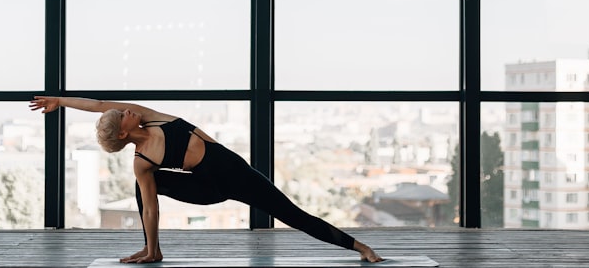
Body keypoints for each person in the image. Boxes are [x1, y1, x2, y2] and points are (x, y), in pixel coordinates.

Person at [29, 96, 384, 264]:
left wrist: (60, 101)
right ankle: (153, 252)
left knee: (292, 215)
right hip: (206, 189)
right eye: (122, 115)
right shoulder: (142, 160)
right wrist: (151, 239)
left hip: (235, 174)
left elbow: (99, 103)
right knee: (145, 187)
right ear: (123, 134)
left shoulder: (153, 119)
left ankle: (360, 248)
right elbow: (150, 210)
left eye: (123, 110)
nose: (127, 110)